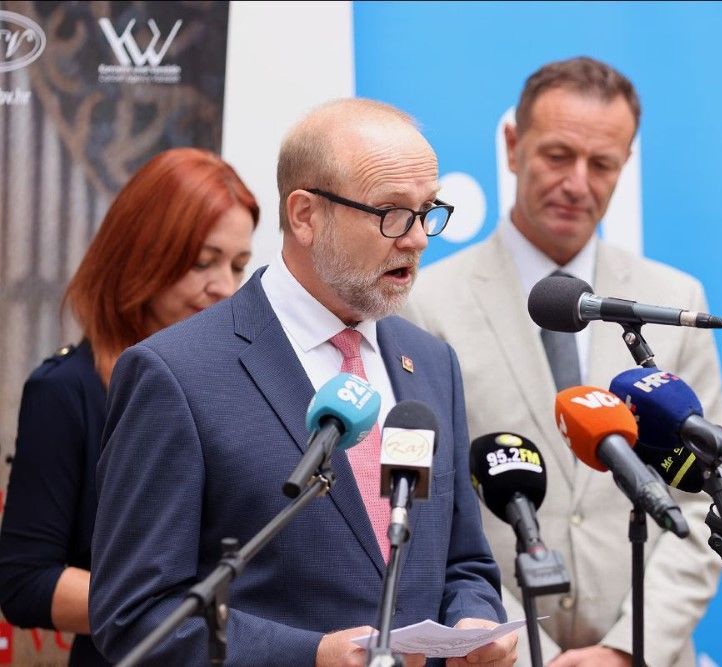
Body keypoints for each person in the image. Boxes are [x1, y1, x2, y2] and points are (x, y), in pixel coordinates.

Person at [88, 98, 516, 667]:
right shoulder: (176, 373)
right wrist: (310, 655)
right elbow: (136, 614)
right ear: (305, 215)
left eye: (427, 211)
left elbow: (464, 562)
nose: (417, 239)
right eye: (392, 212)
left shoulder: (432, 362)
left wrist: (475, 620)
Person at [403, 57, 722, 667]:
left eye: (602, 164)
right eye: (557, 155)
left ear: (626, 163)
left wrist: (626, 650)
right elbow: (426, 513)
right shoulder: (424, 305)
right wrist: (533, 655)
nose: (578, 183)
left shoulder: (674, 301)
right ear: (512, 146)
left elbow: (701, 500)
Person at [0, 147, 259, 666]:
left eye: (238, 266)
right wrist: (175, 618)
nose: (224, 287)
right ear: (141, 254)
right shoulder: (66, 390)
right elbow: (26, 580)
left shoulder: (245, 384)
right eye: (202, 261)